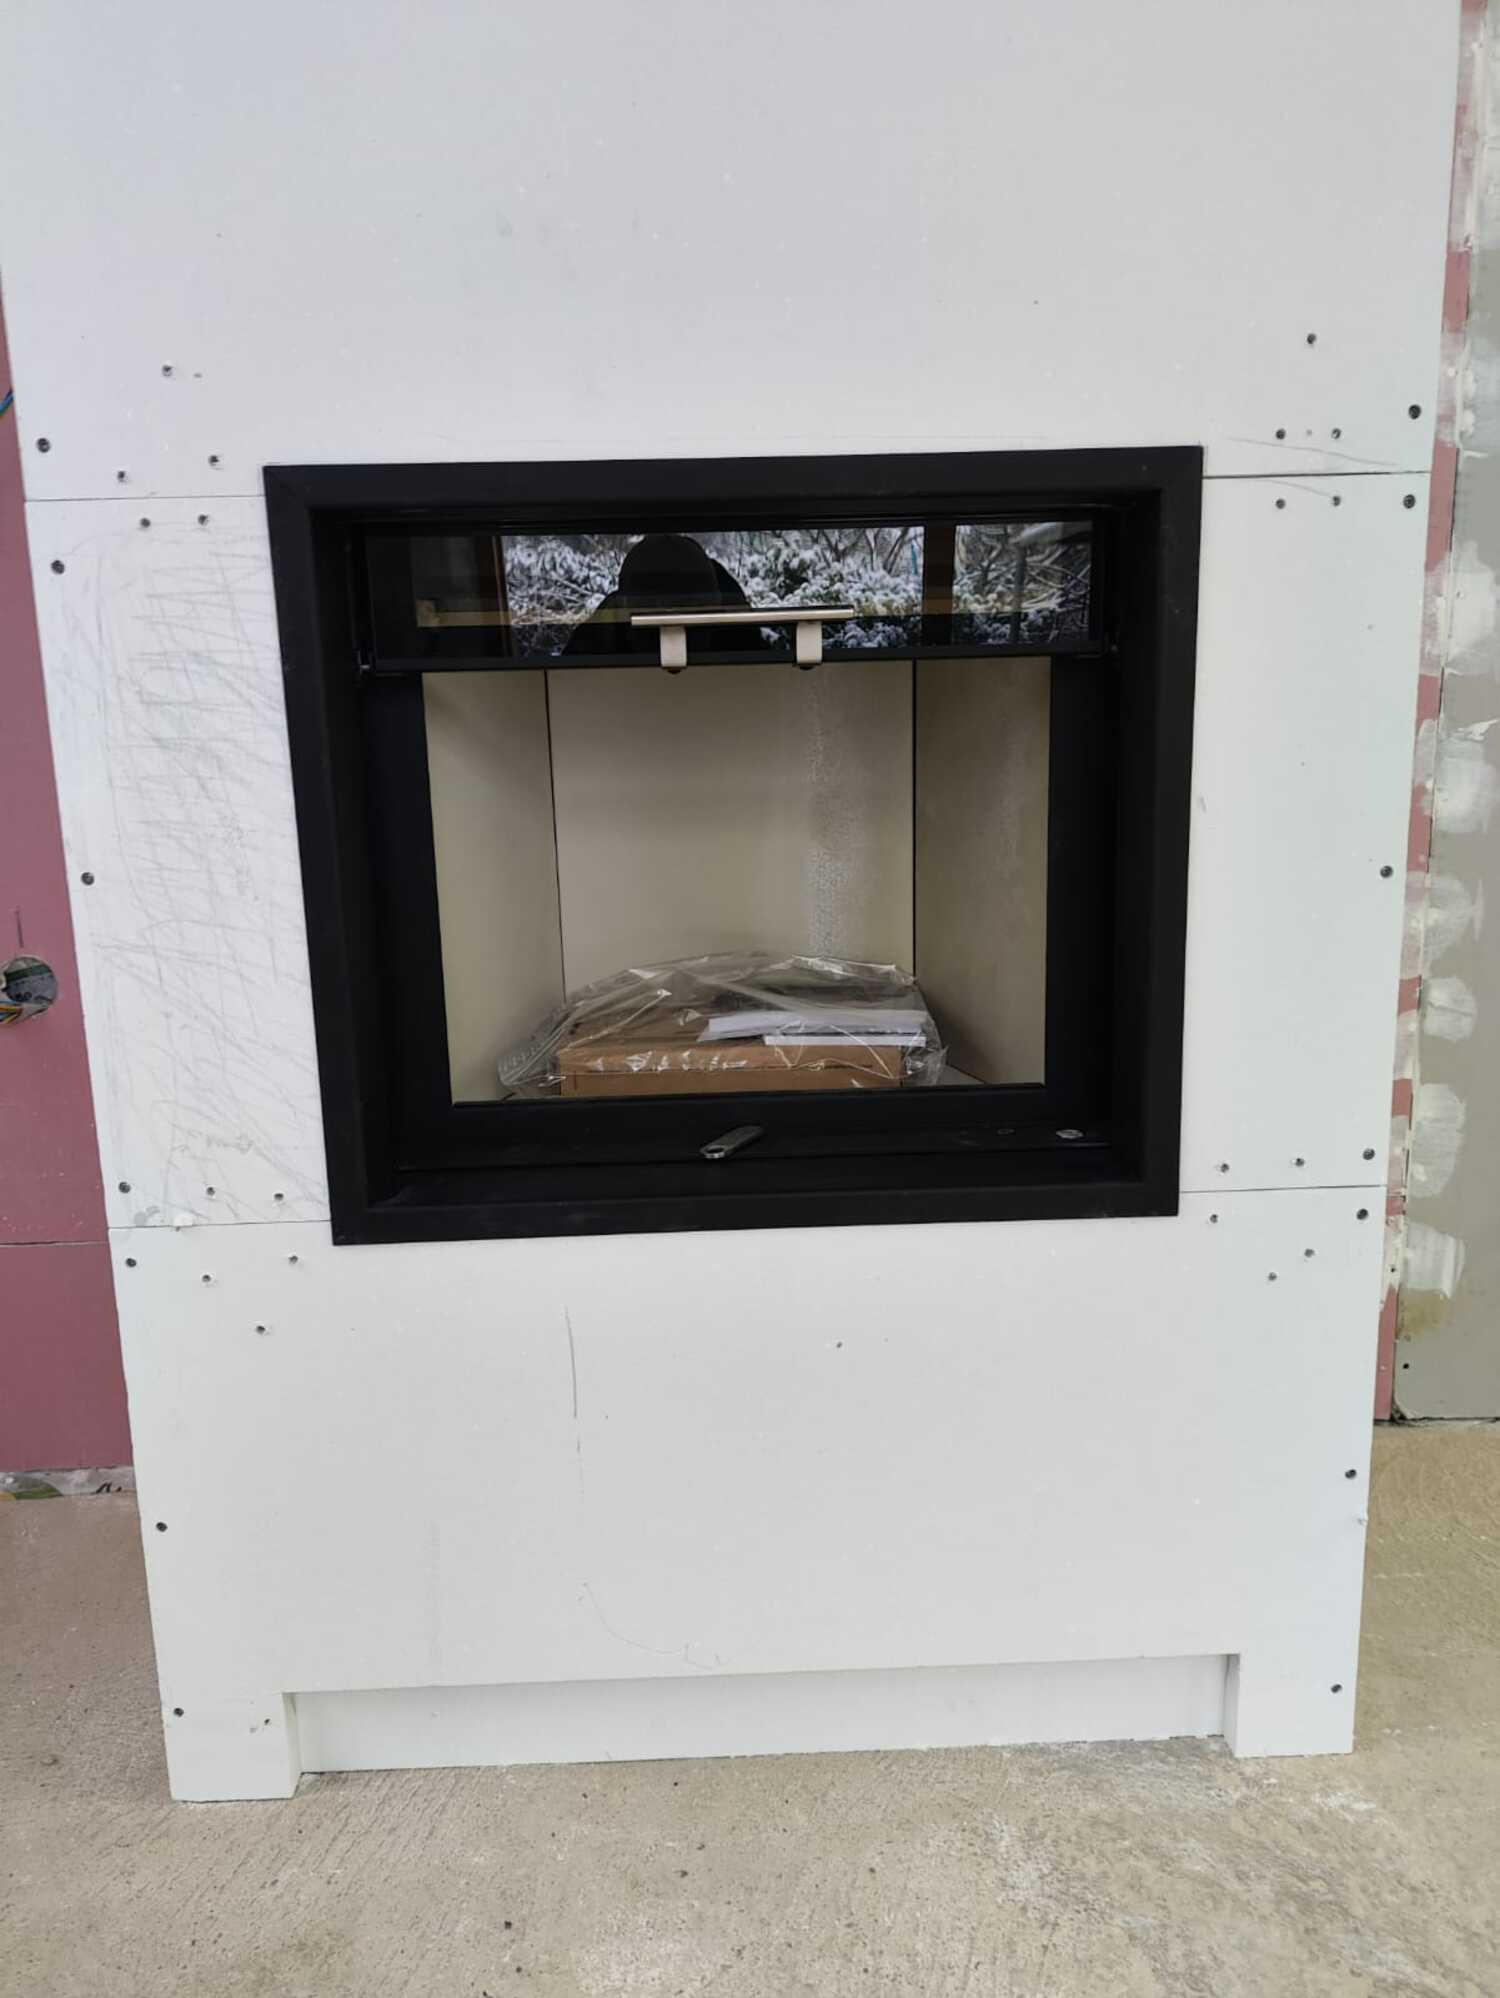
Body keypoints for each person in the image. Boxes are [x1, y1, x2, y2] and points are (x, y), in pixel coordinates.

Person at [561, 532, 771, 658]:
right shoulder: (750, 657)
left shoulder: (593, 651)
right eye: (653, 605)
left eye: (689, 606)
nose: (672, 627)